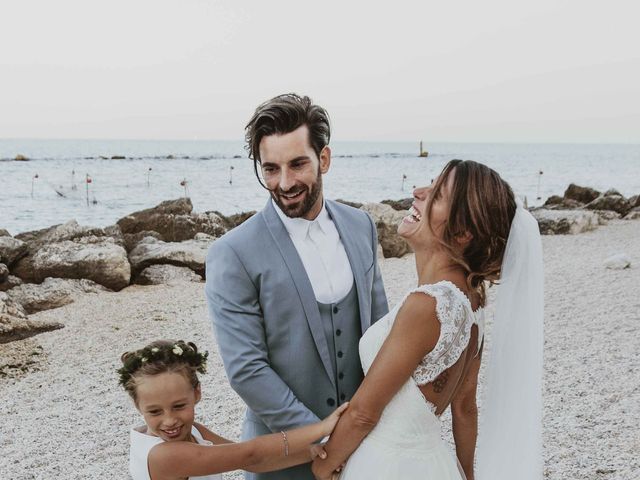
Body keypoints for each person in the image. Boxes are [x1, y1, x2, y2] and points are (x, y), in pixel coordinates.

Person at [312, 159, 544, 480]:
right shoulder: (471, 301)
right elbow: (464, 407)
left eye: (437, 195)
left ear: (462, 232)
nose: (418, 191)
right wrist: (466, 474)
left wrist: (321, 469)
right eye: (429, 183)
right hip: (433, 464)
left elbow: (364, 414)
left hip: (386, 467)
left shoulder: (427, 305)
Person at [205, 93, 389, 480]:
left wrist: (361, 430)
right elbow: (247, 370)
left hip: (364, 451)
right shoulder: (232, 253)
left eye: (297, 164)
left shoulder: (361, 226)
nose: (284, 183)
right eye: (270, 168)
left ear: (324, 159)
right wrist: (322, 442)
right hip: (281, 462)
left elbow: (381, 336)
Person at [119, 339, 348, 480]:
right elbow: (250, 452)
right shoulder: (164, 455)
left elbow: (249, 462)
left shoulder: (193, 432)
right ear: (137, 405)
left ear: (197, 393)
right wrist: (321, 428)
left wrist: (313, 453)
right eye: (155, 412)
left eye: (179, 406)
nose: (169, 420)